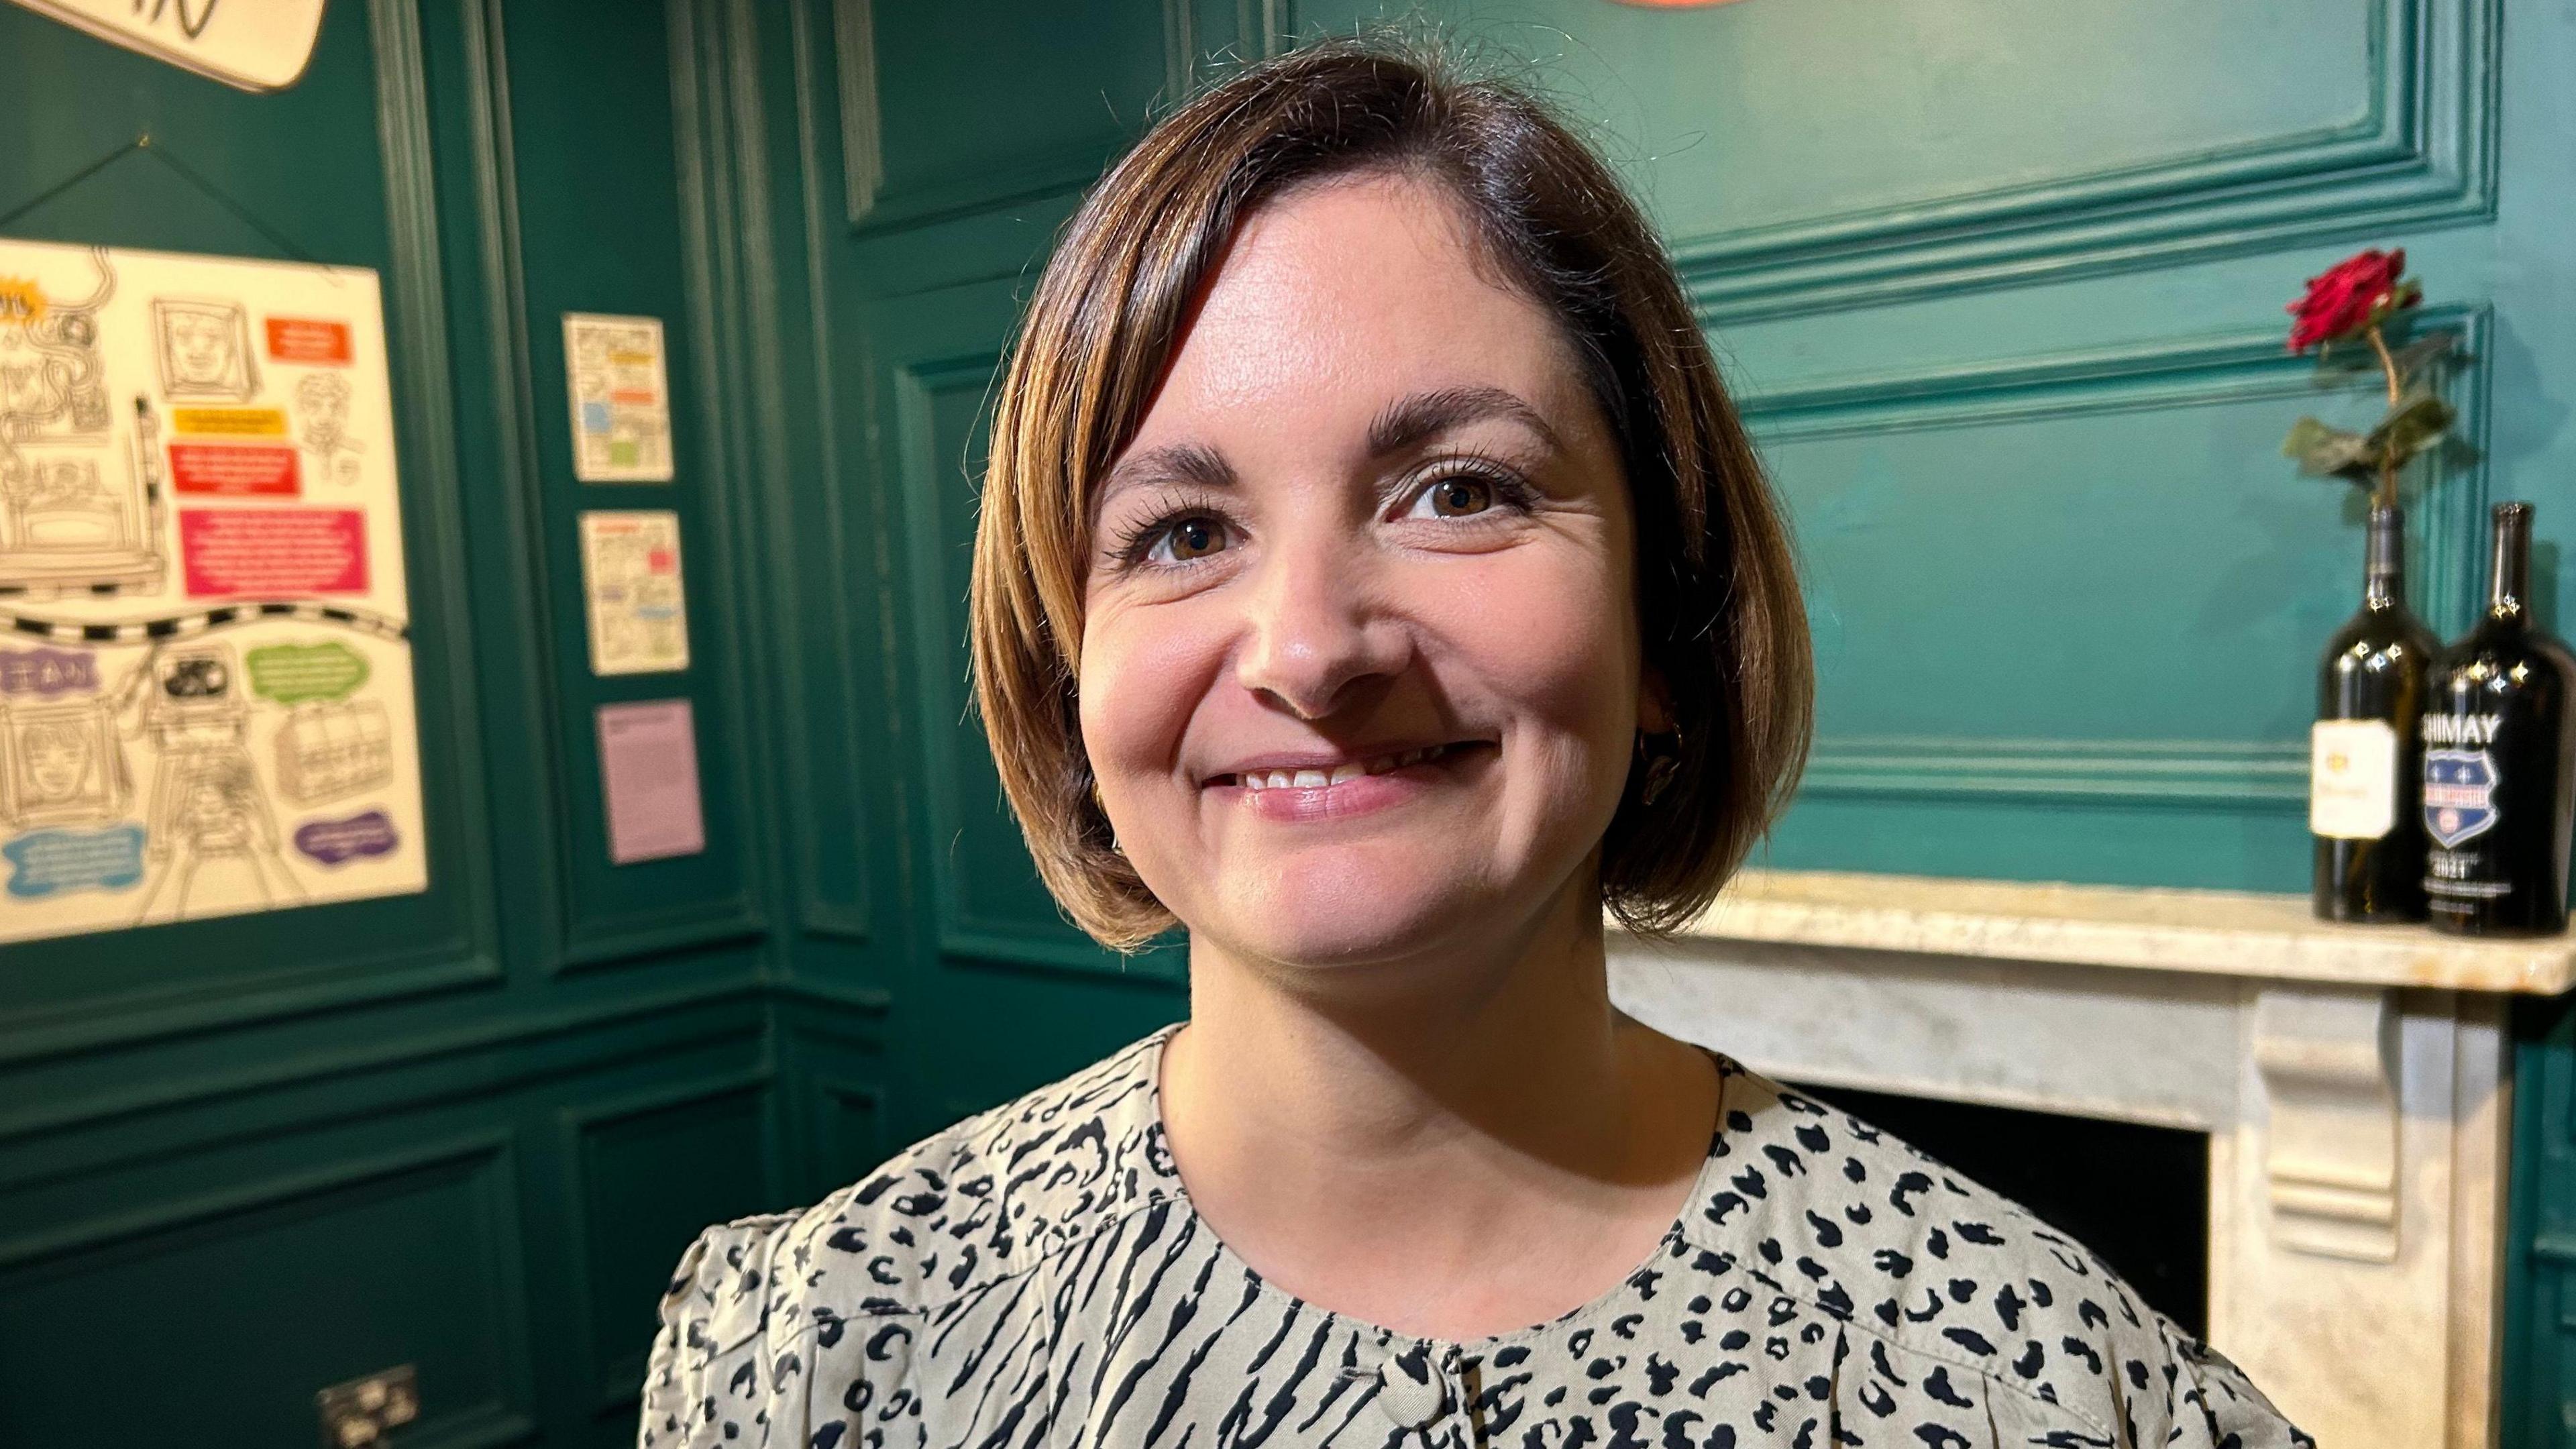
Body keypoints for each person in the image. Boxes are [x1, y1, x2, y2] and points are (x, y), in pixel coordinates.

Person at [642, 39, 2307, 1448]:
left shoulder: (2046, 1388)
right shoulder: (816, 1359)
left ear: (1670, 618)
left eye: (1461, 493)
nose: (1306, 647)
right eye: (1179, 532)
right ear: (1069, 668)